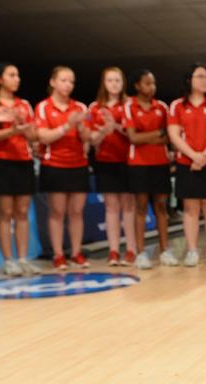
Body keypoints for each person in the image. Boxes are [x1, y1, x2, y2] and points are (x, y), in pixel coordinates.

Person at [36, 66, 108, 270]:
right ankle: (58, 255)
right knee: (57, 212)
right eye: (64, 80)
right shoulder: (43, 107)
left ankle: (77, 253)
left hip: (78, 164)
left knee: (76, 211)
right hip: (54, 164)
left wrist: (82, 127)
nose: (68, 85)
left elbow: (87, 138)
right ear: (53, 82)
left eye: (71, 81)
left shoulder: (80, 108)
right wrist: (66, 126)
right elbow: (43, 136)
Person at [0, 62, 42, 276]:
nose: (17, 79)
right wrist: (9, 130)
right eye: (11, 75)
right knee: (5, 212)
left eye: (17, 75)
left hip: (24, 161)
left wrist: (23, 128)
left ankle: (23, 258)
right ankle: (8, 260)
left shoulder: (24, 105)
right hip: (1, 161)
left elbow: (34, 136)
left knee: (23, 212)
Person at [167, 63, 206, 267]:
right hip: (186, 162)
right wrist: (193, 156)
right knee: (191, 208)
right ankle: (192, 250)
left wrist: (204, 156)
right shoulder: (177, 106)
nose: (205, 80)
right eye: (200, 76)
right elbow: (174, 135)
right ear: (189, 80)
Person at [88, 67, 137, 268]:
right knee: (111, 207)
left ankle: (132, 249)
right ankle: (114, 250)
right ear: (104, 83)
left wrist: (115, 127)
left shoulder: (129, 105)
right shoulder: (95, 108)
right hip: (105, 161)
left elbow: (134, 134)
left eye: (117, 80)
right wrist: (103, 132)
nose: (114, 84)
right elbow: (92, 140)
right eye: (110, 80)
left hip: (127, 160)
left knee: (128, 206)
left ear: (122, 82)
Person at [125, 69, 172, 269]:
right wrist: (156, 134)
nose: (151, 87)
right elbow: (133, 138)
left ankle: (165, 251)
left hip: (160, 163)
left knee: (161, 207)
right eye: (147, 83)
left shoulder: (162, 107)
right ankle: (141, 253)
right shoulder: (130, 107)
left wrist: (149, 136)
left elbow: (168, 136)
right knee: (141, 208)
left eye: (153, 83)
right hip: (139, 164)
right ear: (137, 86)